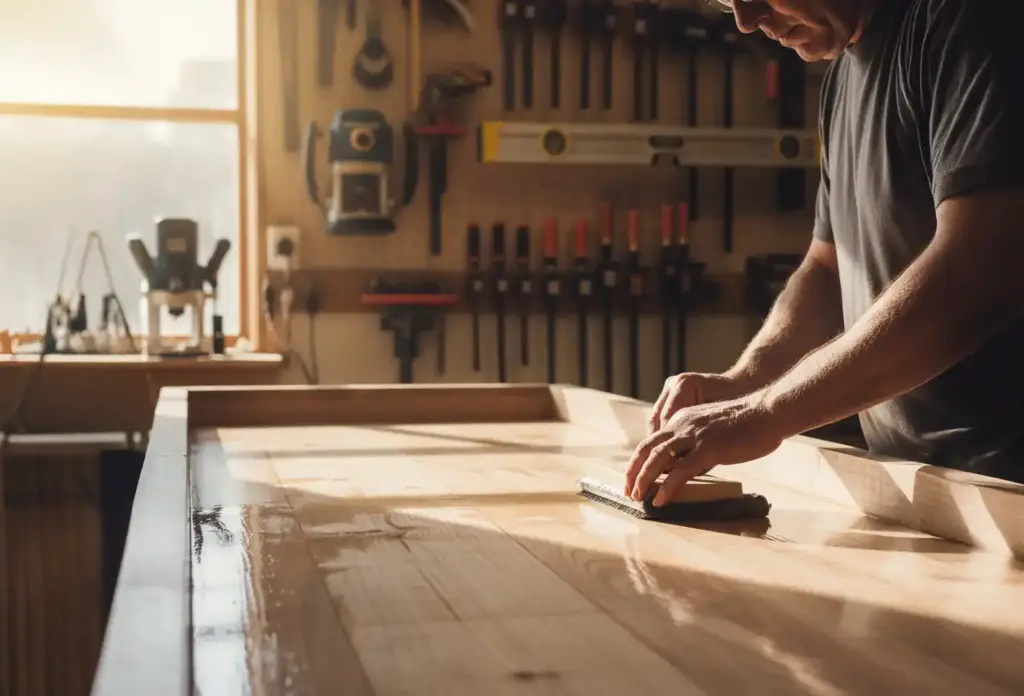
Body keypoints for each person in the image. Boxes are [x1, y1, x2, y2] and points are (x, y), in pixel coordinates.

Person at [626, 0, 1024, 506]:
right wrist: (746, 381)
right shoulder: (841, 81)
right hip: (917, 486)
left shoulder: (968, 21)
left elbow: (980, 266)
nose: (746, 20)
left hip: (1009, 484)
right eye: (727, 2)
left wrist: (766, 412)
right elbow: (828, 270)